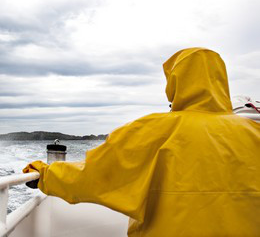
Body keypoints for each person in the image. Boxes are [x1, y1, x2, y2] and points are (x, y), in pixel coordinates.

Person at [23, 47, 260, 236]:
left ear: (174, 82)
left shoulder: (151, 130)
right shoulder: (254, 131)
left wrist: (44, 174)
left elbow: (94, 175)